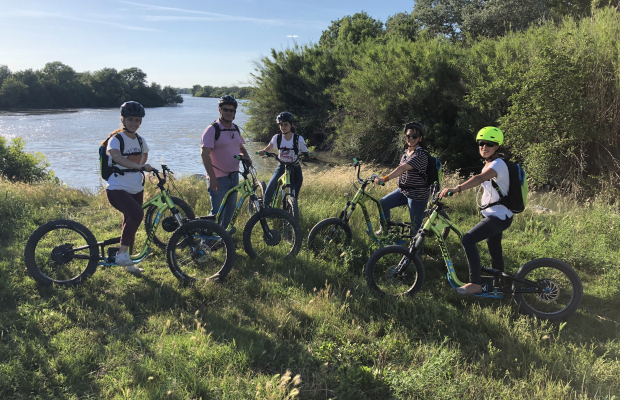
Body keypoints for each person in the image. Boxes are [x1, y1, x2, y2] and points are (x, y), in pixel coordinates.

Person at [439, 127, 513, 295]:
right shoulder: (490, 163)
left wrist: (456, 189)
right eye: (481, 143)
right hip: (499, 214)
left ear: (497, 146)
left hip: (499, 217)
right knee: (494, 248)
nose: (484, 147)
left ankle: (475, 284)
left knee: (468, 239)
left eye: (489, 144)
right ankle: (499, 284)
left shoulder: (497, 164)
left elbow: (479, 178)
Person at [102, 101, 153, 274]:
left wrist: (141, 164)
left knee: (130, 222)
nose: (134, 123)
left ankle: (128, 262)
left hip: (136, 187)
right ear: (123, 119)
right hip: (117, 188)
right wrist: (137, 166)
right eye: (130, 119)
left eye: (137, 120)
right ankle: (122, 254)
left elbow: (144, 156)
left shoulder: (140, 140)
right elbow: (116, 157)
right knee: (137, 214)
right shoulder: (116, 139)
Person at [201, 95, 252, 230]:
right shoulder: (212, 130)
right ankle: (206, 243)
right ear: (220, 110)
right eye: (226, 110)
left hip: (234, 176)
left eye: (232, 110)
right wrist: (212, 177)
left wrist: (247, 157)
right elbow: (204, 155)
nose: (229, 112)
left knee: (230, 210)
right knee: (217, 213)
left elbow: (240, 146)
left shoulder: (235, 128)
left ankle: (223, 240)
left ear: (235, 112)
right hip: (218, 178)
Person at [374, 121, 430, 235]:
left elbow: (402, 168)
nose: (411, 138)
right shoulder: (407, 152)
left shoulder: (421, 155)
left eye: (414, 136)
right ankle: (385, 229)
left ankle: (416, 252)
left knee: (415, 227)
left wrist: (384, 179)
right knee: (383, 203)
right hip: (404, 191)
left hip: (417, 195)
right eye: (408, 136)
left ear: (420, 138)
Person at [258, 111, 309, 207]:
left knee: (294, 193)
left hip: (295, 168)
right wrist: (263, 151)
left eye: (285, 124)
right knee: (271, 186)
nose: (283, 127)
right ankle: (265, 208)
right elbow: (268, 148)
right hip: (281, 167)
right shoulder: (277, 138)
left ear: (291, 124)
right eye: (281, 125)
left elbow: (306, 152)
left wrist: (311, 154)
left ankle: (291, 212)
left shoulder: (298, 139)